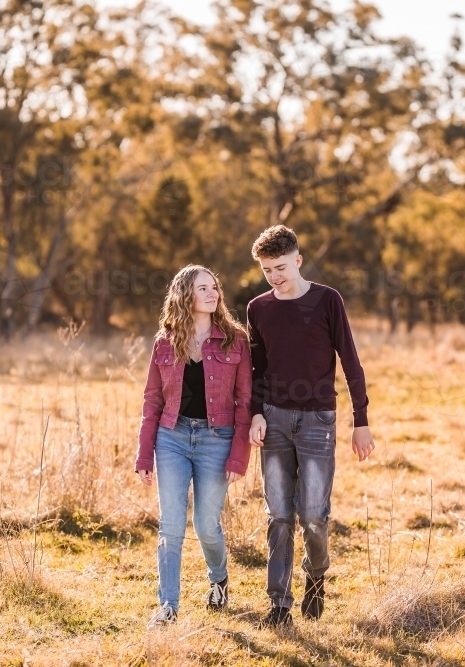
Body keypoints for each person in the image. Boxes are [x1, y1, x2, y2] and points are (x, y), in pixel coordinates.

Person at [246, 225, 376, 627]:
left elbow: (351, 362)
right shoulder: (258, 308)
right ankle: (279, 606)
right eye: (267, 270)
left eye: (281, 267)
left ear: (298, 260)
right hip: (275, 419)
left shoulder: (327, 301)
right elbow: (256, 368)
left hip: (319, 419)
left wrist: (361, 422)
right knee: (279, 516)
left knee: (314, 517)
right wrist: (255, 412)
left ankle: (315, 578)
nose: (275, 277)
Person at [135, 265, 252, 628]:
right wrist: (144, 453)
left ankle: (218, 579)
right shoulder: (165, 341)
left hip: (216, 439)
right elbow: (152, 399)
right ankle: (168, 607)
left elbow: (245, 402)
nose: (212, 293)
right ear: (186, 295)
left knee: (206, 525)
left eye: (214, 287)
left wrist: (239, 455)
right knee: (171, 525)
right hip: (171, 438)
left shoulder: (235, 340)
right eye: (203, 288)